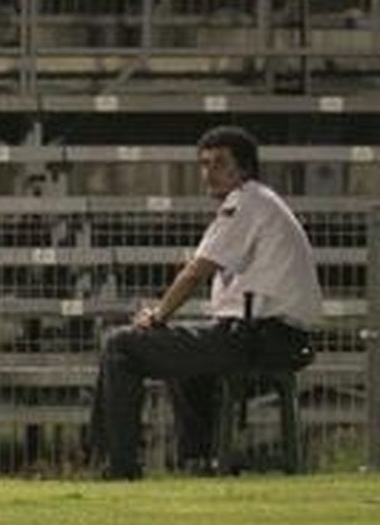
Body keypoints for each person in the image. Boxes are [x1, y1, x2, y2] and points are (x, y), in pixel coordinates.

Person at [90, 126, 321, 481]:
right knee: (180, 359)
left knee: (121, 346)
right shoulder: (259, 201)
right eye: (204, 164)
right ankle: (201, 460)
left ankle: (118, 467)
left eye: (219, 164)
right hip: (273, 336)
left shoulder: (245, 203)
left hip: (260, 336)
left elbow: (195, 272)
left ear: (243, 170)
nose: (208, 173)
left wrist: (157, 315)